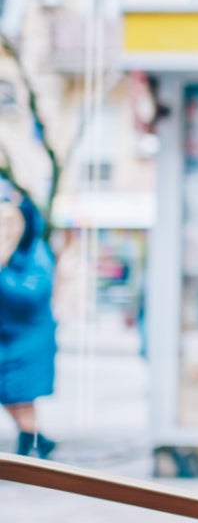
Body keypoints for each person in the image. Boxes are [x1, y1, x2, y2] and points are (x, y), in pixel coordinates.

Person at [0, 194, 58, 459]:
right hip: (7, 337)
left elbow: (32, 296)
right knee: (11, 394)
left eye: (11, 222)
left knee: (20, 394)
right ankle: (36, 441)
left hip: (29, 339)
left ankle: (29, 446)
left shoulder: (35, 252)